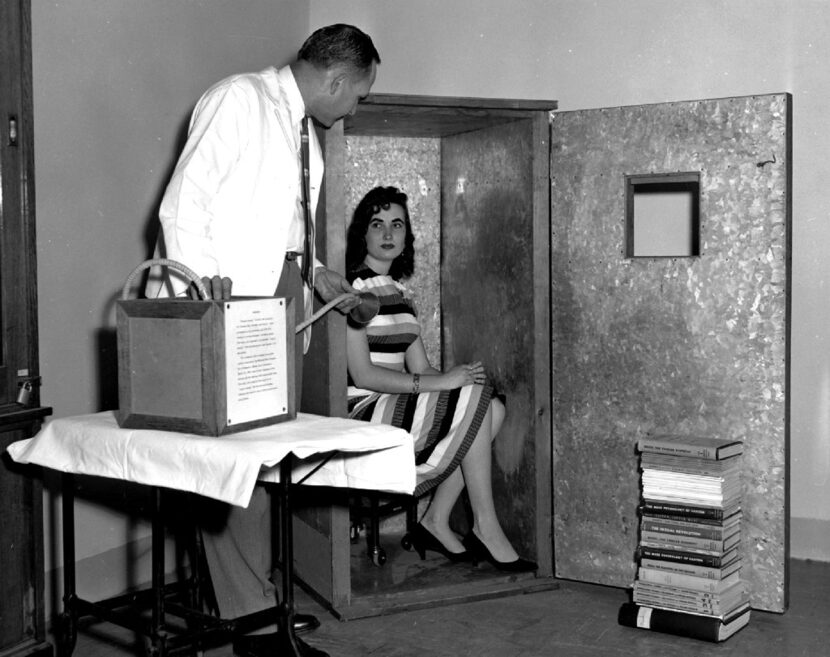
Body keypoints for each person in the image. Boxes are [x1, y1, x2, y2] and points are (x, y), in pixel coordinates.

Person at [145, 24, 380, 657]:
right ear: (335, 80)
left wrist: (318, 274)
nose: (355, 108)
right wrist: (202, 299)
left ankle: (259, 610)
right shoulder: (238, 100)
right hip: (223, 309)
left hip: (276, 308)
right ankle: (255, 624)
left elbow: (282, 236)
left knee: (264, 464)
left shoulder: (306, 131)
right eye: (358, 96)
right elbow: (182, 207)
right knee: (237, 469)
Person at [345, 186, 537, 572]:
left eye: (396, 225)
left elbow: (422, 368)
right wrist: (447, 384)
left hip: (395, 402)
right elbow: (363, 374)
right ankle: (486, 525)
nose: (387, 234)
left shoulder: (400, 294)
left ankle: (435, 519)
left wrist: (460, 379)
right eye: (377, 224)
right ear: (362, 235)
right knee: (474, 401)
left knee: (491, 407)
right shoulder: (353, 291)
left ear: (406, 236)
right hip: (361, 410)